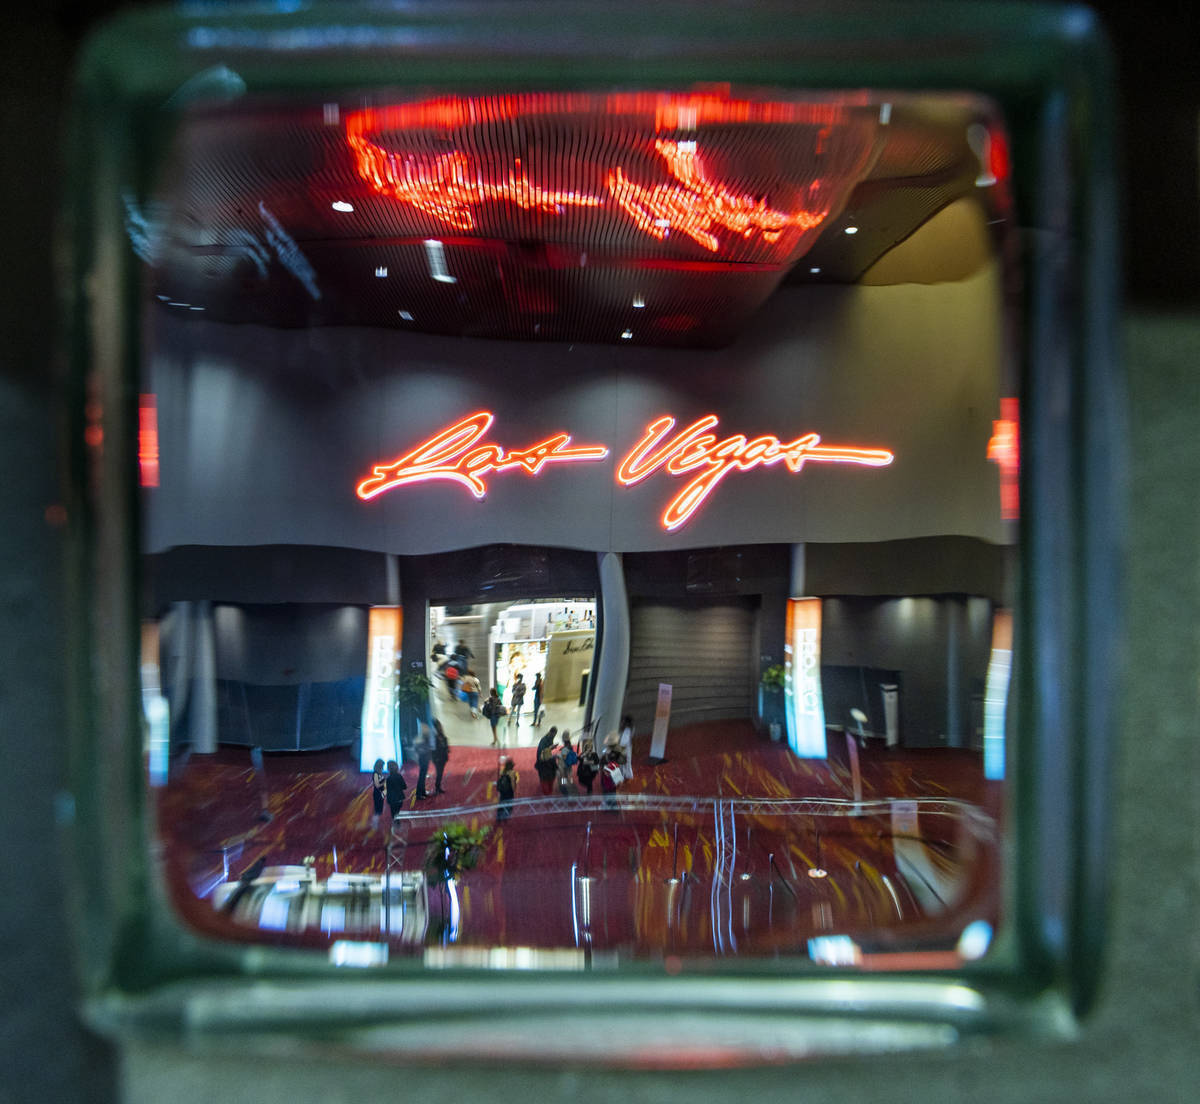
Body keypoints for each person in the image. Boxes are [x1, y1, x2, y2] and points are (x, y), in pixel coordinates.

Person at [431, 718, 450, 795]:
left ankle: (438, 787)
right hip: (438, 758)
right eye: (439, 726)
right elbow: (433, 749)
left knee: (440, 773)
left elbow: (445, 744)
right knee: (439, 773)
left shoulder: (441, 735)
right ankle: (437, 788)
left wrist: (446, 749)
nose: (440, 727)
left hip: (443, 757)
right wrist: (435, 758)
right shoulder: (434, 736)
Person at [556, 730, 579, 795]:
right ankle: (570, 785)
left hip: (563, 765)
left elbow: (564, 757)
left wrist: (557, 755)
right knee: (569, 776)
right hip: (568, 765)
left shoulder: (564, 749)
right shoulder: (570, 746)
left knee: (563, 777)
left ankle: (565, 788)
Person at [496, 757, 517, 822]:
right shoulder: (512, 773)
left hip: (503, 791)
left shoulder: (502, 771)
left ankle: (499, 817)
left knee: (501, 803)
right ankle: (505, 817)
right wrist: (514, 790)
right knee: (509, 804)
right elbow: (513, 783)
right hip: (509, 791)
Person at [415, 723, 433, 799]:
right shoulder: (421, 738)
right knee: (422, 777)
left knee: (422, 777)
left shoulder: (423, 738)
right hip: (423, 760)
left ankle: (422, 792)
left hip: (424, 759)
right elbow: (420, 749)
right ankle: (419, 794)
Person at [618, 714, 635, 781]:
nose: (621, 723)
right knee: (626, 763)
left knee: (625, 763)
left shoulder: (627, 731)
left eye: (623, 721)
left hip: (625, 749)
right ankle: (626, 775)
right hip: (627, 748)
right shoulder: (629, 729)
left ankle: (626, 776)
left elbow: (623, 742)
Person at [370, 758, 386, 824]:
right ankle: (374, 824)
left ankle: (376, 822)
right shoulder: (376, 774)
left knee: (379, 809)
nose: (383, 767)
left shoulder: (379, 772)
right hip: (377, 793)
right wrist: (385, 782)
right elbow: (377, 785)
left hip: (380, 793)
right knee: (377, 810)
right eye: (382, 766)